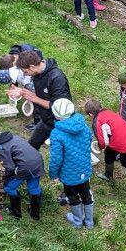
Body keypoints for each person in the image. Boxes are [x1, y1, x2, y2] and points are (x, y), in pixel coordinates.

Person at [47, 98, 95, 229]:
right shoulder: (83, 125)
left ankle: (78, 221)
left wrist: (53, 174)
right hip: (84, 168)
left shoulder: (56, 133)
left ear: (56, 115)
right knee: (86, 193)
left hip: (68, 173)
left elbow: (56, 158)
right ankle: (89, 222)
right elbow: (89, 139)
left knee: (72, 195)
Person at [84, 99, 126, 195]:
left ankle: (108, 175)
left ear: (90, 114)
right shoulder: (108, 112)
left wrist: (100, 147)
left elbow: (103, 141)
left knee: (108, 155)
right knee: (125, 160)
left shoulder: (97, 121)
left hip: (120, 142)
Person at [15, 50, 72, 151]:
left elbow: (59, 107)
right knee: (31, 147)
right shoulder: (37, 74)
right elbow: (44, 94)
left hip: (60, 122)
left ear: (32, 66)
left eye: (25, 72)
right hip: (46, 120)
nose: (26, 75)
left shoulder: (57, 78)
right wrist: (24, 92)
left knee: (63, 152)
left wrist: (35, 99)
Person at [0, 131, 44, 219]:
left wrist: (6, 177)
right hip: (38, 162)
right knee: (34, 187)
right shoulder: (15, 137)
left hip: (26, 167)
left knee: (9, 187)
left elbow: (10, 167)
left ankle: (16, 213)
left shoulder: (0, 147)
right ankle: (35, 214)